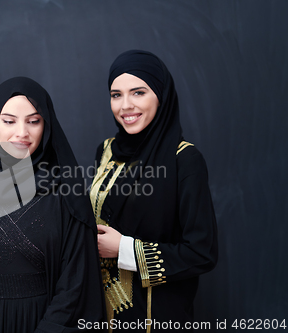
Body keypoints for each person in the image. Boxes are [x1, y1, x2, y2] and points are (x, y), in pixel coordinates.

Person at [0, 76, 107, 332]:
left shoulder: (67, 194)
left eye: (33, 121)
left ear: (47, 126)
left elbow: (76, 284)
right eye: (9, 121)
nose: (22, 132)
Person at [91, 50, 218, 332]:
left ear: (160, 95)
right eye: (116, 95)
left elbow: (201, 252)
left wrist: (123, 248)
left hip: (155, 316)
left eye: (138, 93)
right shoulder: (106, 150)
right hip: (100, 310)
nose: (125, 106)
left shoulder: (184, 160)